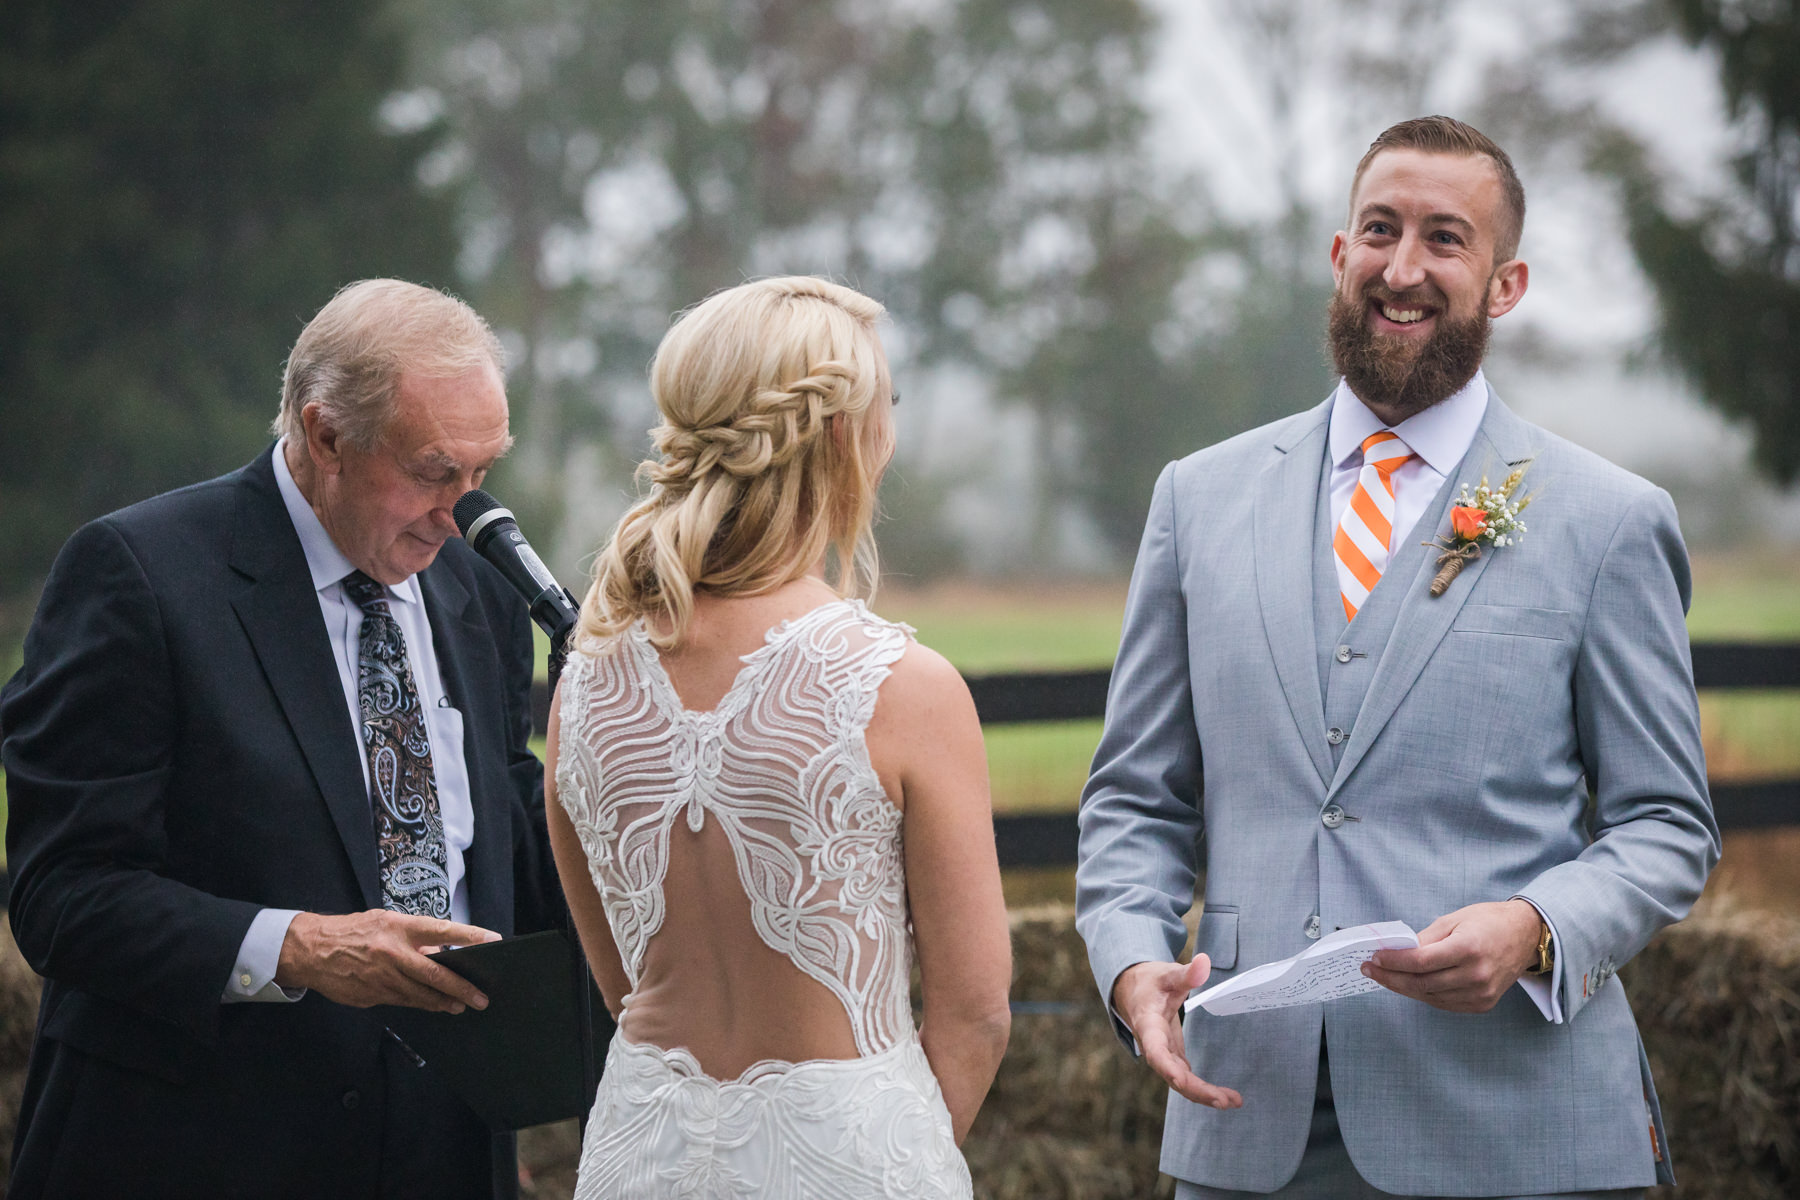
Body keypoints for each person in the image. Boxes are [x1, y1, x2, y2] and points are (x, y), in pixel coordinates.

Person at [1076, 116, 1719, 1199]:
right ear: (1340, 255)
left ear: (1505, 284)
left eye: (1446, 239)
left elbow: (1666, 824)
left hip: (1520, 1130)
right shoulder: (1199, 498)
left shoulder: (1607, 520)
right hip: (1251, 1126)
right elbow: (1136, 798)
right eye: (1380, 229)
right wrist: (1132, 965)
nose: (1404, 268)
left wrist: (1536, 926)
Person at [2, 279, 562, 1199]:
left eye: (481, 470)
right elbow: (62, 894)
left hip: (448, 1146)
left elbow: (499, 816)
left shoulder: (480, 589)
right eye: (433, 470)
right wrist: (298, 948)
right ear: (325, 435)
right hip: (205, 1148)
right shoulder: (137, 575)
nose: (462, 509)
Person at [544, 275, 1012, 1199]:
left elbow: (621, 983)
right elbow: (976, 1012)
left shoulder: (584, 682)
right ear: (842, 434)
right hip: (850, 1164)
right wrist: (893, 1153)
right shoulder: (905, 689)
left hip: (643, 1157)